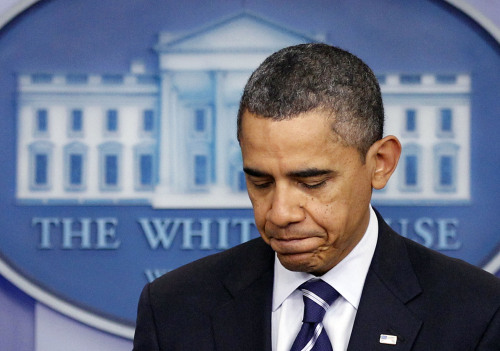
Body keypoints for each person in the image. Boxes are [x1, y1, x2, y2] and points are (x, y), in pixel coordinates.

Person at [133, 43, 500, 351]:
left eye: (311, 182)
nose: (279, 213)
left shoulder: (478, 314)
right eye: (260, 183)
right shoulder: (172, 309)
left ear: (381, 163)